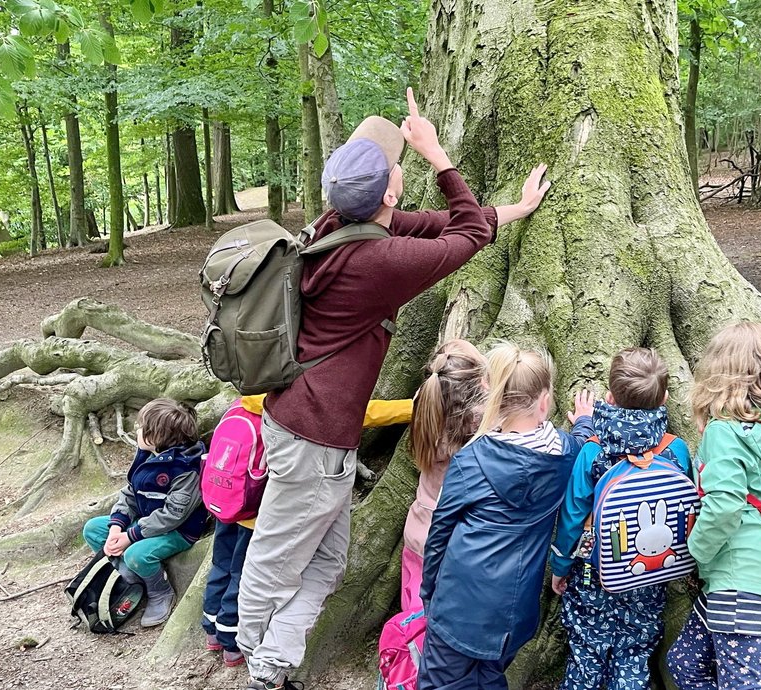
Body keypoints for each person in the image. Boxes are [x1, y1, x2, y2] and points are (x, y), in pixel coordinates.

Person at [236, 87, 552, 690]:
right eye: (393, 166)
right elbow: (464, 237)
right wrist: (437, 154)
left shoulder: (345, 225)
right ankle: (254, 662)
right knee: (277, 562)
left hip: (308, 428)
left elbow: (451, 224)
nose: (399, 166)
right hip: (313, 439)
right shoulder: (378, 262)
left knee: (327, 565)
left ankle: (270, 666)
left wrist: (514, 208)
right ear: (387, 191)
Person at [418, 343, 594, 690]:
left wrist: (429, 595)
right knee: (490, 678)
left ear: (491, 395)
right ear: (545, 401)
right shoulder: (566, 456)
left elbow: (440, 534)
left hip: (458, 609)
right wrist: (585, 422)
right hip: (514, 615)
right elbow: (581, 443)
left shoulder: (471, 461)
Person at [202, 395, 413, 667]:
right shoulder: (296, 406)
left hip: (226, 504)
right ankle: (232, 644)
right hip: (256, 514)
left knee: (220, 567)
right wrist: (411, 407)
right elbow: (360, 413)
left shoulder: (246, 399)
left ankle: (211, 630)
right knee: (241, 576)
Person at [665, 322, 761, 690]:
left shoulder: (723, 432)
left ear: (716, 375)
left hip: (739, 580)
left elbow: (724, 504)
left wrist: (695, 553)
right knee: (684, 663)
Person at [549, 347, 690, 690]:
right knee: (635, 653)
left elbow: (572, 516)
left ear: (609, 398)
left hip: (594, 574)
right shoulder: (675, 450)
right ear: (666, 399)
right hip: (650, 573)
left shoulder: (593, 451)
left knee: (585, 651)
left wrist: (559, 566)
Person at [82, 399, 207, 628]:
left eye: (141, 427)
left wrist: (130, 537)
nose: (136, 430)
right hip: (144, 522)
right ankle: (126, 578)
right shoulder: (146, 455)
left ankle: (159, 591)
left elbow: (173, 515)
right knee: (93, 529)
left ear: (156, 436)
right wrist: (116, 528)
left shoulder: (185, 469)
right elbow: (129, 493)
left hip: (177, 531)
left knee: (136, 555)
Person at [401, 340, 487, 611]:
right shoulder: (481, 424)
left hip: (417, 532)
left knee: (414, 618)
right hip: (453, 541)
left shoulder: (425, 402)